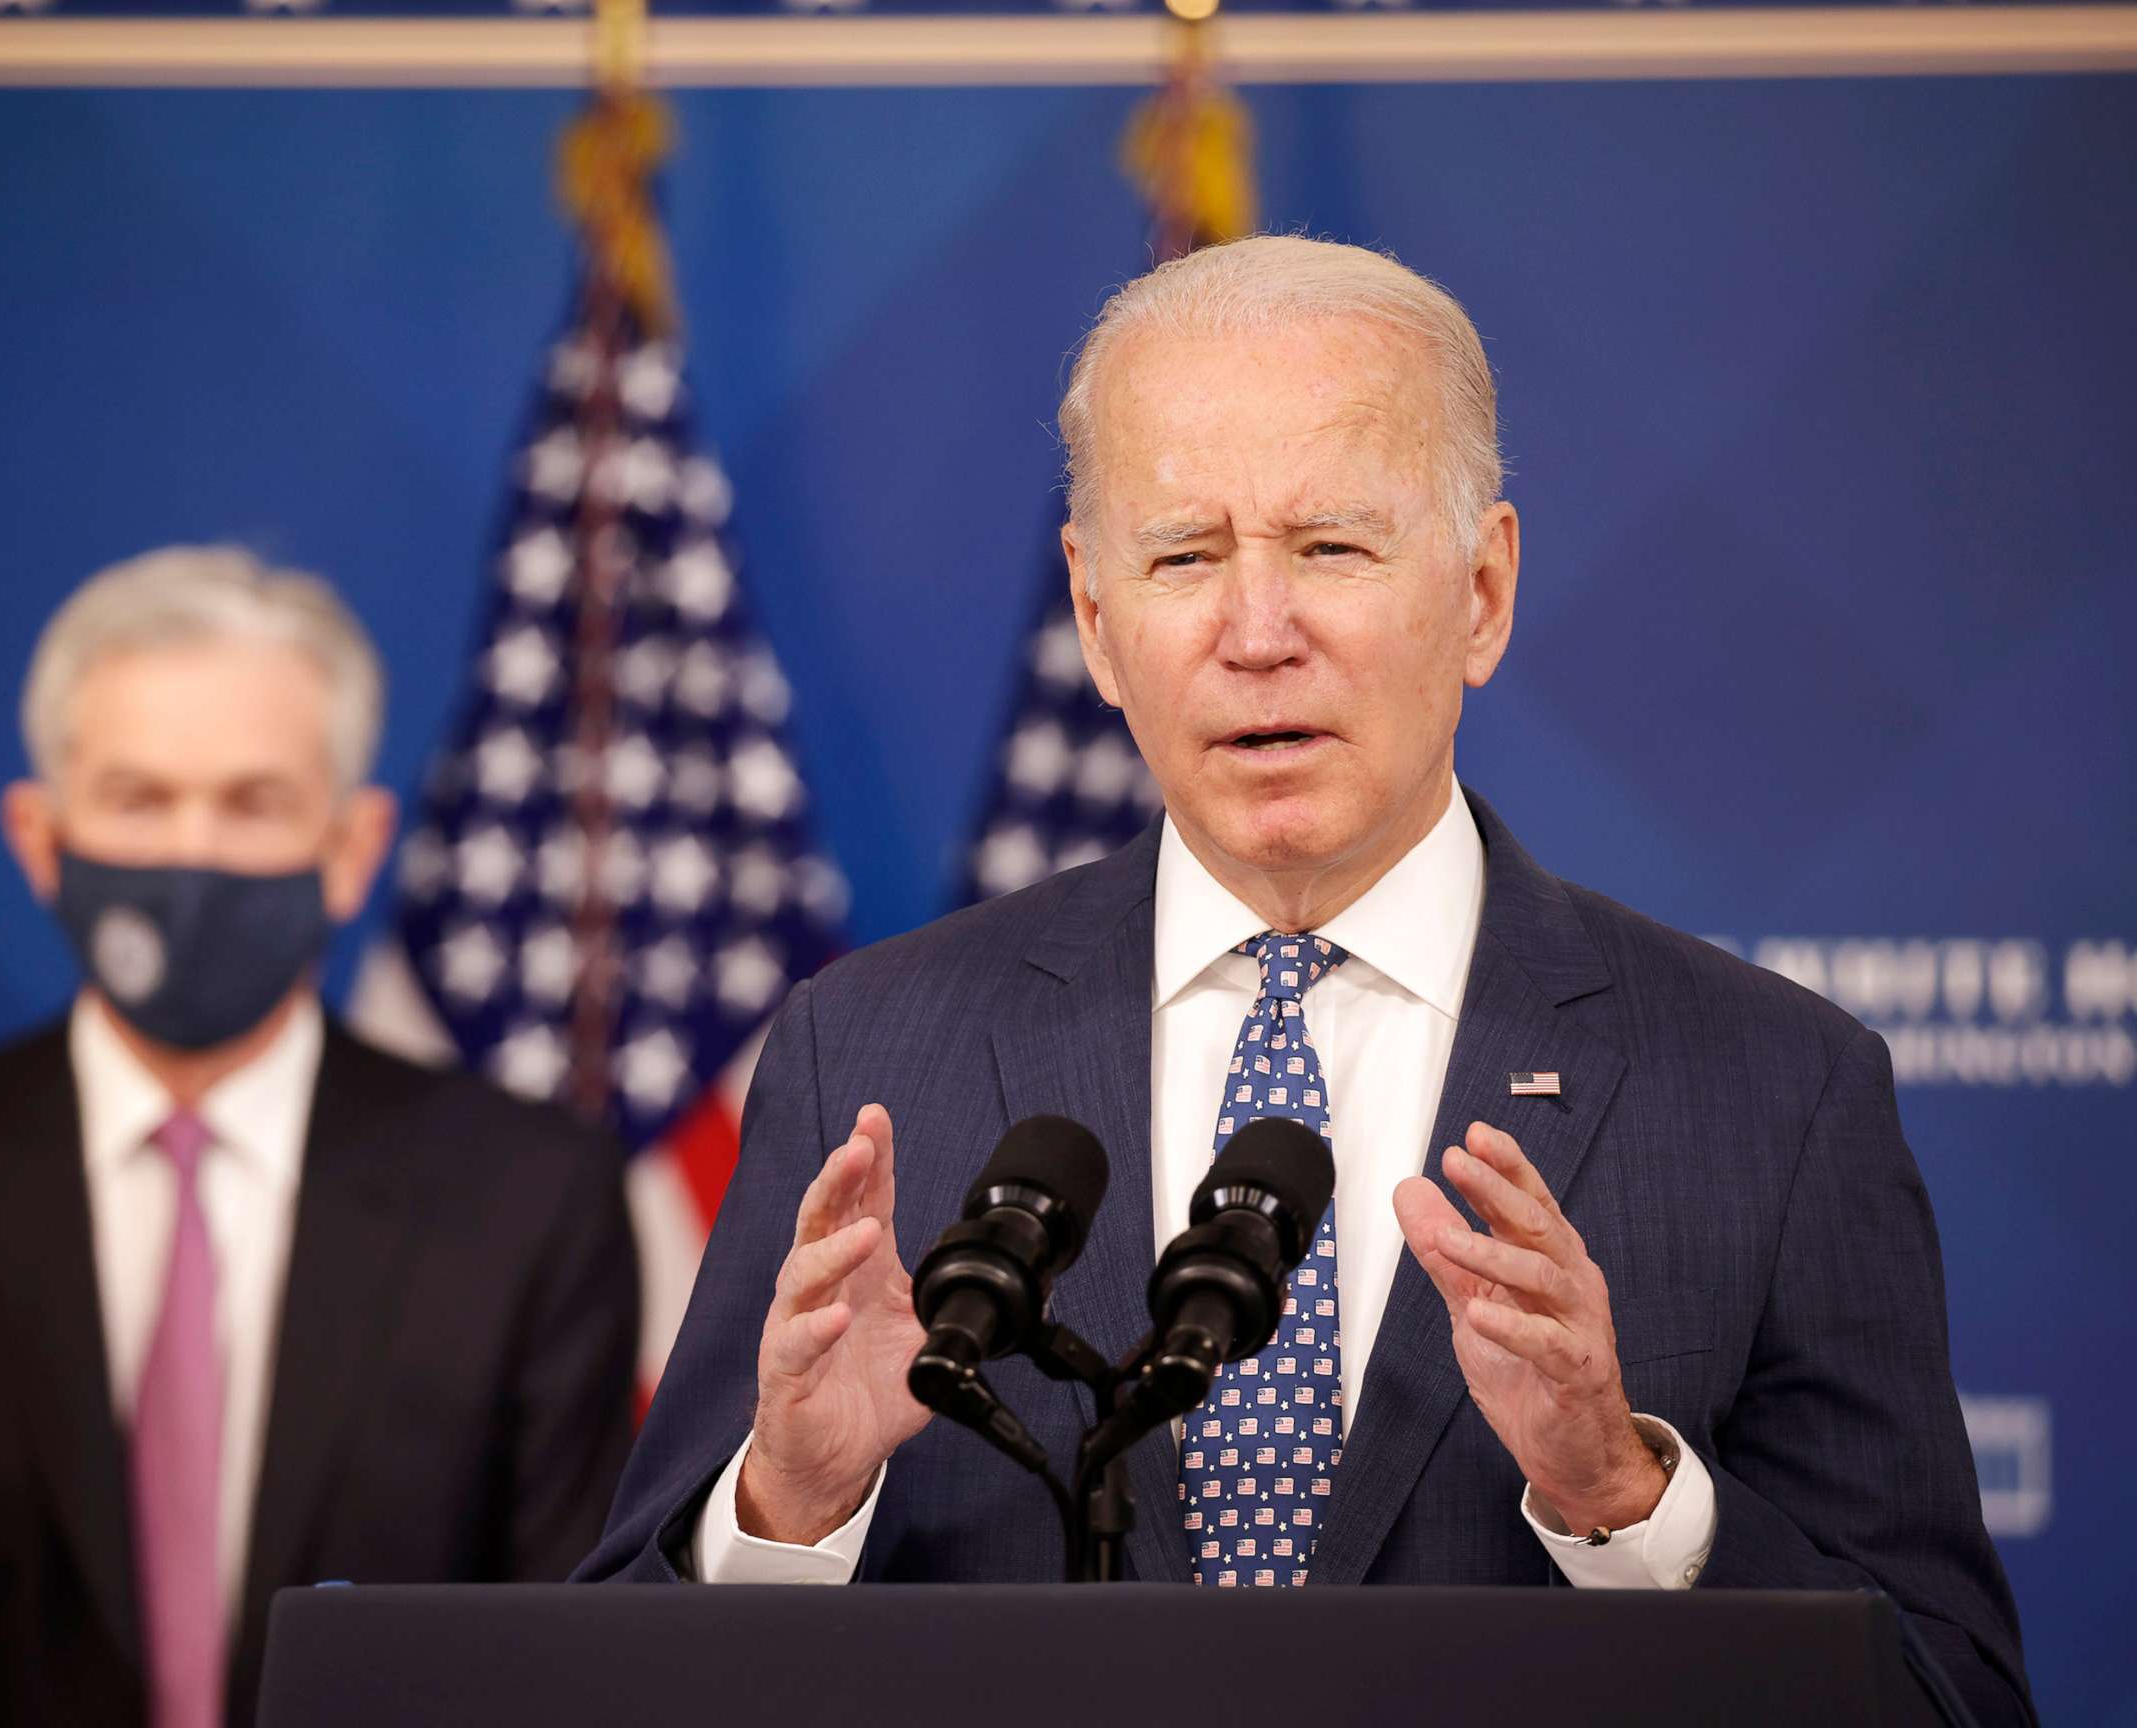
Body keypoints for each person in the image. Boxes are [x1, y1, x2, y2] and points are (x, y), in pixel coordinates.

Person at [580, 237, 2033, 1724]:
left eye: (1331, 548)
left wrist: (1629, 1497)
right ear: (1096, 617)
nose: (1257, 635)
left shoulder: (1770, 1093)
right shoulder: (869, 1052)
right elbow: (608, 1683)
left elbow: (1948, 1702)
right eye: (1184, 558)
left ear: (1480, 592)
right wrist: (788, 1505)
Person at [0, 547, 639, 1728]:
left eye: (253, 802)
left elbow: (556, 1665)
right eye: (138, 799)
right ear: (40, 836)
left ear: (354, 849)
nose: (191, 854)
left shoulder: (530, 1198)